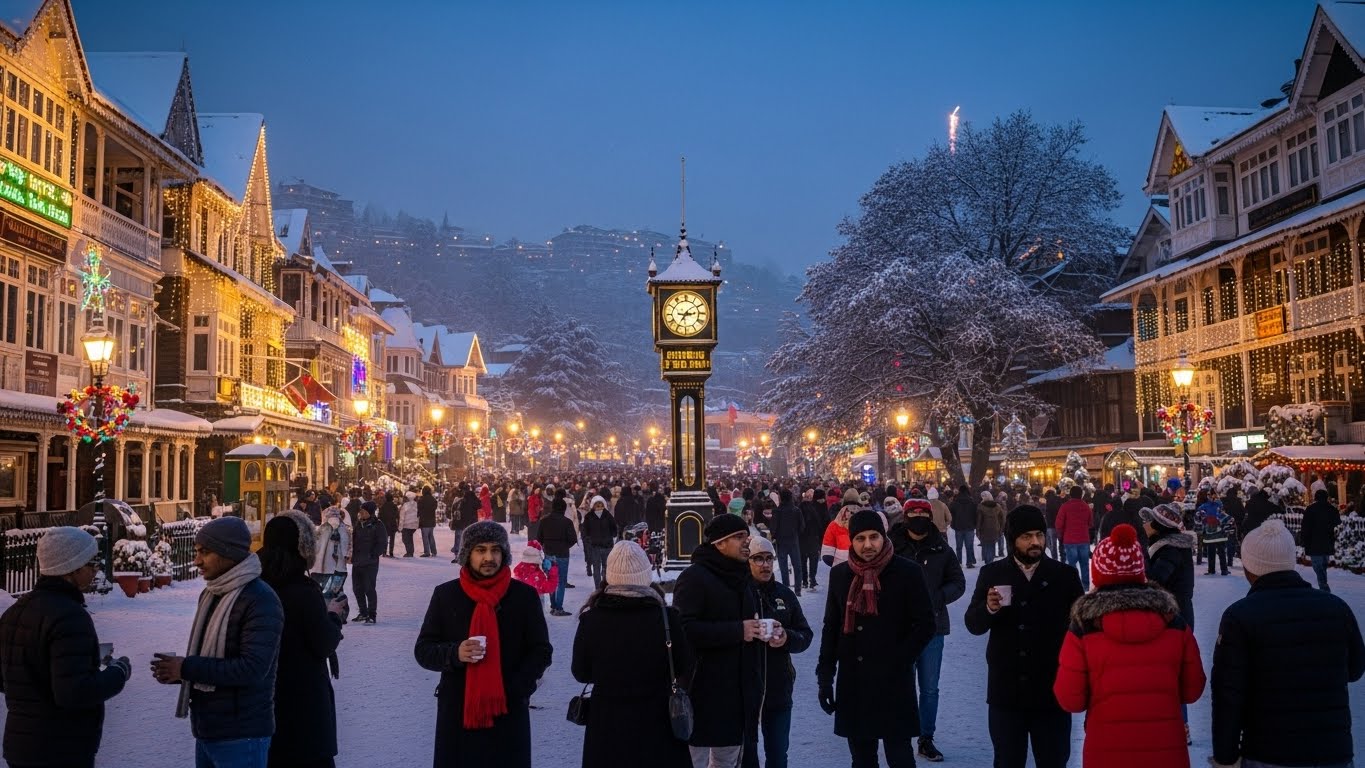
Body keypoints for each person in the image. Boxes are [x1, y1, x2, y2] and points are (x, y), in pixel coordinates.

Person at [1210, 518, 1364, 768]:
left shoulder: (1239, 617)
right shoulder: (1336, 608)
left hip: (1269, 752)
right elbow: (1355, 669)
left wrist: (1225, 757)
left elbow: (1228, 695)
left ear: (1251, 567)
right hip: (1332, 750)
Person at [1053, 524, 1206, 768]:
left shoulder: (1084, 628)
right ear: (1140, 570)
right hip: (1166, 752)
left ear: (1098, 573)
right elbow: (1193, 690)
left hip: (1106, 752)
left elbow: (1069, 699)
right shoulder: (1174, 623)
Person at [414, 521, 553, 768]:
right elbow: (423, 650)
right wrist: (455, 652)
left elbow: (541, 650)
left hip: (508, 712)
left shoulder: (524, 596)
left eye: (495, 550)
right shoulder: (446, 595)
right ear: (468, 554)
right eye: (480, 550)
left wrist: (518, 688)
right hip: (458, 713)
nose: (489, 557)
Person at [151, 516, 285, 767]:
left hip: (242, 735)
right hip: (209, 730)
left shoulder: (260, 599)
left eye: (205, 552)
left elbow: (252, 669)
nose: (197, 561)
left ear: (228, 553)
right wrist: (178, 673)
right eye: (196, 552)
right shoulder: (213, 592)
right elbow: (214, 658)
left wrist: (187, 667)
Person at [964, 505, 1084, 768]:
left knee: (1053, 760)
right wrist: (989, 608)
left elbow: (1082, 629)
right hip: (1007, 692)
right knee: (1007, 760)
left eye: (1039, 535)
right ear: (1012, 540)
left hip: (1051, 690)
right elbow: (973, 624)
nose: (1035, 542)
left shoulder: (1064, 575)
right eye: (1026, 536)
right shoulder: (993, 574)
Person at [0, 527, 130, 768]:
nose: (96, 569)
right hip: (61, 748)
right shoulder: (70, 616)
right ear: (73, 568)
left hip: (21, 745)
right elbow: (75, 693)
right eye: (91, 563)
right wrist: (119, 672)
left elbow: (6, 676)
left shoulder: (15, 612)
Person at [817, 509, 936, 767]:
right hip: (854, 681)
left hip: (893, 680)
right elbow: (832, 627)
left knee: (900, 756)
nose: (868, 544)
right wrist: (825, 677)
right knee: (862, 759)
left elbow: (926, 624)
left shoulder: (907, 572)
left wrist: (900, 659)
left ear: (883, 536)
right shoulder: (840, 575)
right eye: (860, 538)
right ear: (851, 541)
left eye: (874, 537)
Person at [572, 541, 695, 768]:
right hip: (657, 721)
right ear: (645, 575)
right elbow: (683, 665)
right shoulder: (667, 618)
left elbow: (580, 672)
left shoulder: (591, 619)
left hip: (607, 722)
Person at [673, 513, 763, 768]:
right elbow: (684, 629)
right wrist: (737, 631)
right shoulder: (694, 577)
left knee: (728, 761)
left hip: (737, 692)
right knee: (694, 760)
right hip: (702, 689)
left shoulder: (742, 576)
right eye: (739, 537)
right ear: (719, 543)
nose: (747, 542)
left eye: (747, 536)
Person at [259, 512, 346, 768]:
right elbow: (323, 642)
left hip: (266, 698)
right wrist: (334, 616)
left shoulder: (257, 582)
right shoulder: (303, 590)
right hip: (304, 701)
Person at [889, 500, 966, 762]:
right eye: (914, 513)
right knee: (902, 684)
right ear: (906, 516)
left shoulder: (941, 547)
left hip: (933, 627)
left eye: (923, 513)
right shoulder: (892, 546)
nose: (919, 517)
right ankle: (900, 735)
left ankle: (925, 737)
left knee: (930, 688)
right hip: (900, 627)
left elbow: (958, 582)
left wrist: (936, 597)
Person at [743, 536, 814, 768]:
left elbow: (805, 635)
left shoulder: (784, 594)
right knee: (747, 757)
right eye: (758, 559)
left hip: (778, 688)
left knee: (777, 756)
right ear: (748, 562)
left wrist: (786, 638)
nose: (765, 564)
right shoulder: (740, 594)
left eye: (769, 558)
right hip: (746, 691)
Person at [538, 496, 579, 616]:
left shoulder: (544, 520)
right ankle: (558, 607)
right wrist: (564, 546)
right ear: (564, 508)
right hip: (563, 554)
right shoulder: (567, 522)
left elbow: (539, 538)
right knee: (561, 581)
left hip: (549, 554)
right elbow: (573, 539)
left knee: (551, 579)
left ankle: (553, 605)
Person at [351, 501, 387, 624]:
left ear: (370, 512)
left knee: (369, 589)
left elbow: (382, 543)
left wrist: (373, 554)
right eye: (361, 510)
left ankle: (372, 614)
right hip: (357, 562)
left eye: (364, 511)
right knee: (357, 589)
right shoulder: (358, 524)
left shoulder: (377, 524)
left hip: (369, 563)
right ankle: (363, 612)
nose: (361, 512)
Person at [1300, 488, 1342, 592]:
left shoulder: (1310, 509)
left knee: (1318, 567)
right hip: (1327, 541)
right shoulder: (1332, 509)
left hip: (1314, 543)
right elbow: (1338, 523)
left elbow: (1305, 527)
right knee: (1322, 565)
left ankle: (1324, 587)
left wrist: (1304, 540)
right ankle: (1323, 585)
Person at [1053, 485, 1093, 590]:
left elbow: (1059, 524)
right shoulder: (1086, 506)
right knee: (1084, 564)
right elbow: (1090, 523)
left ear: (1070, 494)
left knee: (1071, 565)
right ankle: (1085, 586)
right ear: (1081, 495)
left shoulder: (1065, 506)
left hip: (1069, 539)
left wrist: (1060, 536)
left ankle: (1074, 586)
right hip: (1084, 539)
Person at [768, 488, 805, 595]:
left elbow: (773, 528)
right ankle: (798, 589)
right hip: (794, 540)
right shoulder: (796, 510)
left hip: (781, 541)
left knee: (783, 567)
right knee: (797, 566)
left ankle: (786, 588)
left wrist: (775, 535)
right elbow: (802, 526)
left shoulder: (777, 511)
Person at [313, 505, 351, 599]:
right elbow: (346, 549)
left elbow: (316, 548)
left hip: (320, 568)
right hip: (339, 568)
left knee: (321, 594)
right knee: (335, 593)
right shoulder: (344, 528)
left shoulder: (321, 528)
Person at [581, 495, 617, 589]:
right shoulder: (588, 516)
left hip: (607, 546)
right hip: (595, 547)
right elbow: (585, 531)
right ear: (593, 505)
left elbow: (614, 529)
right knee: (596, 569)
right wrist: (589, 540)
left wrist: (612, 535)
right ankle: (598, 588)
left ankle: (605, 587)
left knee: (606, 568)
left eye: (601, 505)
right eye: (597, 505)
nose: (599, 507)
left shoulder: (608, 515)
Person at [1196, 491, 1231, 576]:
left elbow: (1199, 514)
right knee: (1221, 551)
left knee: (1211, 551)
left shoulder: (1204, 506)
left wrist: (1204, 522)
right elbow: (1224, 516)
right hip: (1219, 531)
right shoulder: (1220, 505)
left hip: (1209, 531)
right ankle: (1224, 570)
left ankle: (1211, 570)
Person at [800, 488, 828, 592]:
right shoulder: (818, 508)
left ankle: (805, 580)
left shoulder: (801, 508)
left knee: (803, 560)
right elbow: (822, 524)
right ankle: (812, 579)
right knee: (813, 560)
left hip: (803, 539)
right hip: (814, 538)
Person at [949, 486, 978, 568]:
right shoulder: (972, 502)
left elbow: (951, 513)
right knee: (969, 546)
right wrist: (974, 524)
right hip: (970, 527)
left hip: (958, 527)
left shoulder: (955, 502)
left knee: (959, 546)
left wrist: (953, 524)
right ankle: (969, 562)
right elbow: (976, 514)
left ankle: (958, 562)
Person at [977, 490, 1006, 564]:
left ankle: (987, 561)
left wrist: (978, 530)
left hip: (984, 529)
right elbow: (1002, 519)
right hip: (995, 529)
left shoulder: (981, 507)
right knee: (992, 546)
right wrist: (1001, 529)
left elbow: (979, 520)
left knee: (986, 545)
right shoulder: (997, 506)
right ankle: (990, 561)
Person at [417, 485, 438, 557]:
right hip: (431, 520)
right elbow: (435, 507)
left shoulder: (421, 500)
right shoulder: (433, 499)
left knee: (425, 537)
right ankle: (434, 551)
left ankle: (427, 552)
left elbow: (419, 509)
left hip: (424, 520)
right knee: (431, 536)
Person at [378, 491, 400, 557]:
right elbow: (397, 515)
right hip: (392, 524)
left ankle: (384, 552)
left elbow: (380, 516)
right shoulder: (394, 506)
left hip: (385, 524)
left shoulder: (383, 506)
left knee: (385, 539)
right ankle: (391, 552)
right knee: (392, 539)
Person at [399, 490, 420, 557]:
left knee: (405, 539)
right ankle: (411, 551)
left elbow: (402, 517)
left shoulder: (405, 505)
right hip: (414, 525)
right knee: (410, 538)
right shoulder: (416, 504)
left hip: (406, 525)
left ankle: (409, 552)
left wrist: (400, 527)